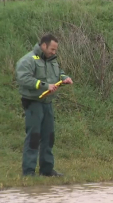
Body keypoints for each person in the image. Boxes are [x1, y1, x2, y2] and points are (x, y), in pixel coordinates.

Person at [15, 34, 73, 177]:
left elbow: (58, 72)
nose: (54, 52)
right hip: (33, 103)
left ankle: (47, 170)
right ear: (44, 45)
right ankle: (28, 172)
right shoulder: (28, 60)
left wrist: (64, 78)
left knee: (49, 136)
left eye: (55, 50)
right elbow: (24, 78)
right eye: (52, 49)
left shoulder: (52, 60)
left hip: (48, 103)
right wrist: (45, 86)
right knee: (34, 137)